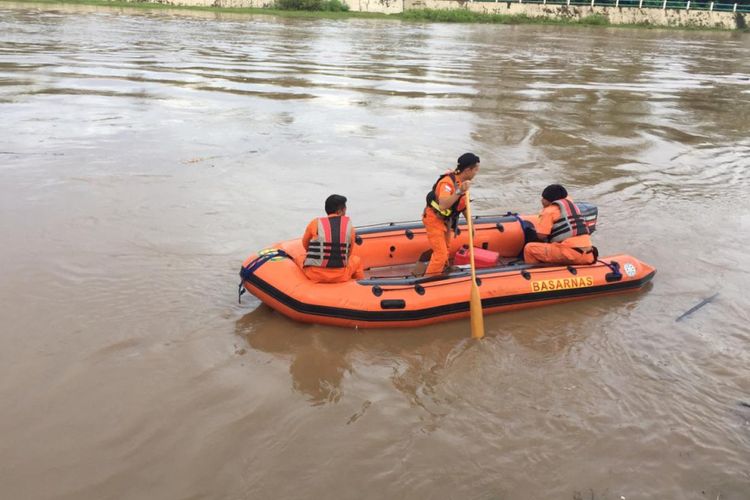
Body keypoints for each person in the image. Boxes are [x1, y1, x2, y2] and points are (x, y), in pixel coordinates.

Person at [419, 152, 481, 276]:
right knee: (440, 255)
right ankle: (429, 282)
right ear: (468, 170)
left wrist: (471, 224)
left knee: (446, 250)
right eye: (475, 170)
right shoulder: (447, 183)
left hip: (447, 221)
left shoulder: (462, 183)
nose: (476, 173)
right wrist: (460, 191)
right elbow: (443, 205)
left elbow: (463, 206)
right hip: (434, 219)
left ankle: (441, 271)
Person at [523, 184, 596, 266]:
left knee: (529, 248)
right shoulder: (574, 208)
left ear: (549, 200)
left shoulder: (549, 211)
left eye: (543, 198)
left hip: (569, 254)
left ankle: (535, 275)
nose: (541, 200)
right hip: (588, 254)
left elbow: (541, 236)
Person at [299, 194, 364, 283]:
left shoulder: (314, 223)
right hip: (340, 276)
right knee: (356, 260)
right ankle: (360, 286)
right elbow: (348, 253)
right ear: (340, 211)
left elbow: (305, 244)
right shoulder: (349, 228)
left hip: (313, 274)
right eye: (345, 209)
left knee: (300, 258)